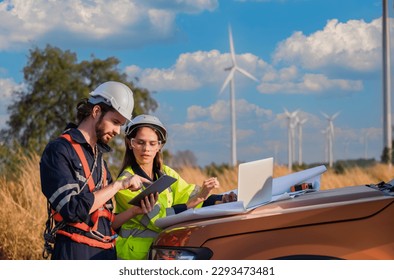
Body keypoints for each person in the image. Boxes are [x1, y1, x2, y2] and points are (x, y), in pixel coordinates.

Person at [40, 81, 158, 260]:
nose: (118, 131)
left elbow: (106, 222)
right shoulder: (58, 151)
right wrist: (119, 185)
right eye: (115, 122)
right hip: (76, 254)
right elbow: (71, 209)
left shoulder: (99, 161)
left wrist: (134, 211)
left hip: (104, 254)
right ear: (96, 112)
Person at [114, 114, 237, 260]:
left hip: (161, 251)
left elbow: (189, 194)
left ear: (159, 146)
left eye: (152, 143)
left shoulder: (166, 173)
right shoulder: (126, 182)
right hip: (134, 256)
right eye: (140, 142)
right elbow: (158, 220)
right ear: (130, 143)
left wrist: (221, 199)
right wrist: (197, 199)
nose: (146, 149)